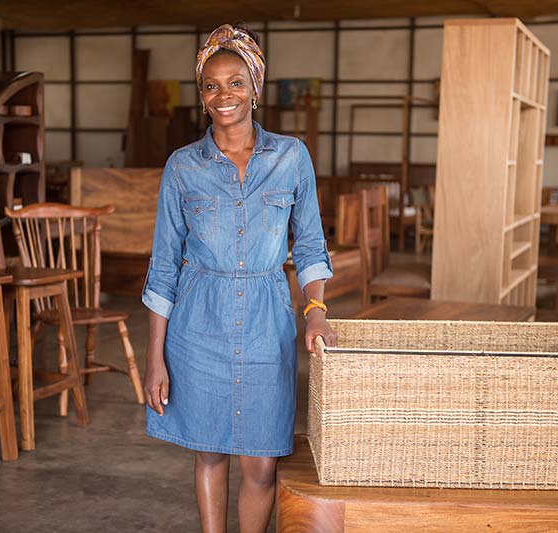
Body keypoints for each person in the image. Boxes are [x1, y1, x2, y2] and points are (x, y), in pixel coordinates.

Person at [141, 23, 337, 532]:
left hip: (267, 326)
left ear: (255, 86)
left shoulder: (291, 158)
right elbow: (164, 267)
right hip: (197, 325)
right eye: (210, 85)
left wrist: (315, 312)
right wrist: (154, 357)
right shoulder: (183, 168)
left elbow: (311, 246)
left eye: (235, 82)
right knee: (208, 454)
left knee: (261, 460)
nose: (223, 94)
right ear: (201, 97)